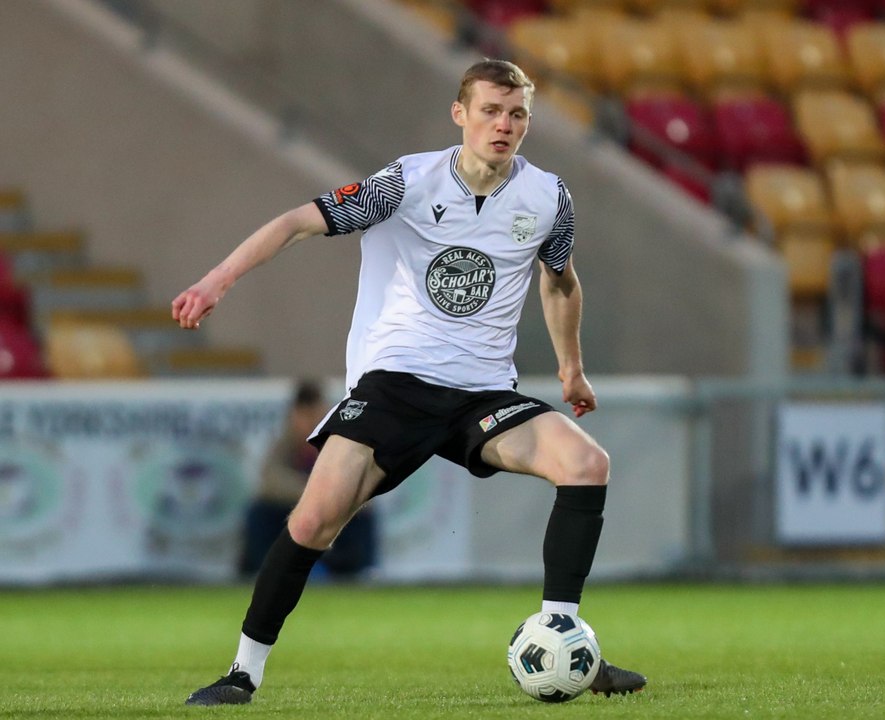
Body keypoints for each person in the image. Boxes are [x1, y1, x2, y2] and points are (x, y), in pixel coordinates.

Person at [173, 59, 647, 706]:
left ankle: (561, 632)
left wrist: (572, 368)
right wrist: (214, 281)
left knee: (587, 463)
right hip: (396, 383)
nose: (503, 126)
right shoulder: (407, 182)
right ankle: (242, 673)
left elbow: (559, 279)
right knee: (312, 521)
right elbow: (295, 223)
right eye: (489, 111)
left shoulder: (548, 198)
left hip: (482, 393)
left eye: (515, 115)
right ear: (460, 114)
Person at [239, 380, 377, 579]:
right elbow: (270, 480)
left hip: (332, 517)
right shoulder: (285, 444)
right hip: (292, 512)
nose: (311, 421)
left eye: (316, 413)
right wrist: (314, 491)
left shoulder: (338, 441)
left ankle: (362, 572)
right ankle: (262, 571)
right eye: (305, 415)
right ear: (294, 416)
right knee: (259, 512)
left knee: (363, 514)